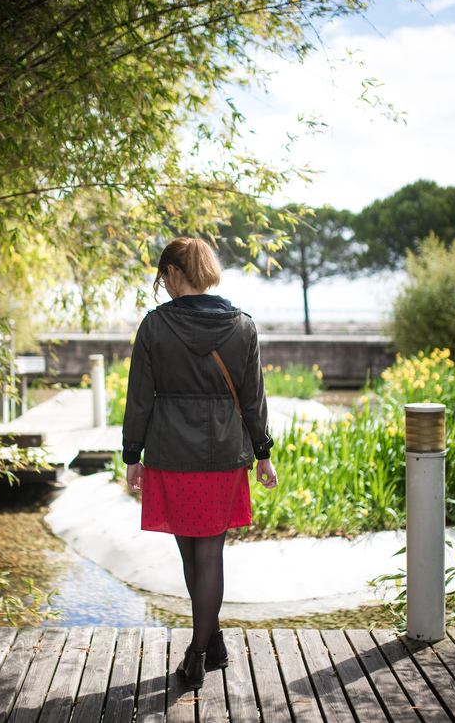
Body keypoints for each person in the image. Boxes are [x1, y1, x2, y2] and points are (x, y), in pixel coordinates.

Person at [121, 236, 278, 690]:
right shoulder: (243, 326)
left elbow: (139, 398)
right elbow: (254, 399)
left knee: (190, 550)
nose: (162, 285)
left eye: (163, 277)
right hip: (223, 453)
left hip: (171, 452)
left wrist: (133, 455)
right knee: (208, 552)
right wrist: (262, 452)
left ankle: (196, 652)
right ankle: (210, 643)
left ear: (173, 273)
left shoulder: (154, 327)